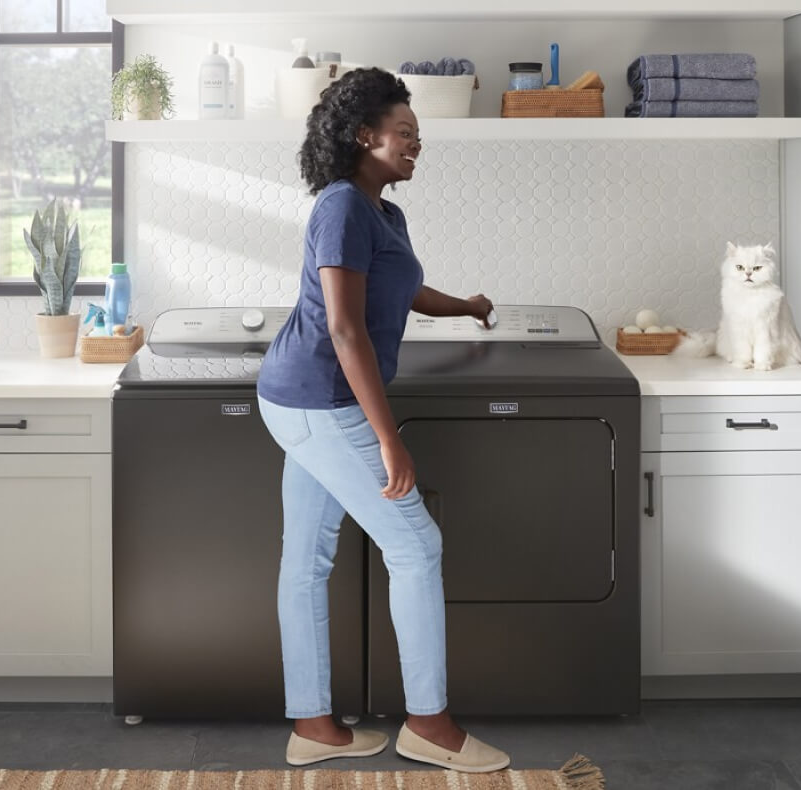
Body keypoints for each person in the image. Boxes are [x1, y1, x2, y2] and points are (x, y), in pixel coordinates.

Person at [256, 68, 509, 773]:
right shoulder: (340, 206)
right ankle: (429, 724)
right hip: (318, 401)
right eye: (405, 134)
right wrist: (389, 438)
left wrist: (465, 306)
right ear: (365, 136)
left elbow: (400, 287)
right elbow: (343, 328)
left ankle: (313, 725)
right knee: (416, 545)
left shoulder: (382, 213)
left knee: (306, 559)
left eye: (418, 137)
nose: (415, 146)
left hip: (304, 398)